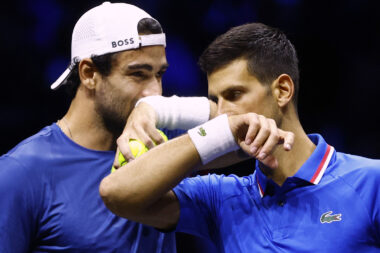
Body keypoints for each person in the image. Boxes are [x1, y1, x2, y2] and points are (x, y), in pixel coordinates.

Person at [100, 23, 380, 252]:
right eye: (214, 100)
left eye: (234, 95)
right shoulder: (220, 197)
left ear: (282, 90)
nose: (222, 114)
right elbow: (116, 194)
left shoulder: (370, 181)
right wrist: (214, 132)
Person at [0, 2, 176, 252]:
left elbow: (235, 125)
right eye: (138, 74)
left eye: (159, 74)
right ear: (89, 73)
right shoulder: (21, 172)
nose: (155, 92)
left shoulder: (162, 140)